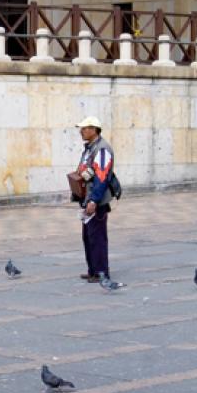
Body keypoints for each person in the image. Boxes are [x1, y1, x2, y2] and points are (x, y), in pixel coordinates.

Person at [75, 116, 114, 283]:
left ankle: (101, 272)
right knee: (88, 237)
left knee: (97, 237)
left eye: (84, 128)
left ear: (94, 130)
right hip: (87, 198)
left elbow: (102, 176)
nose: (81, 131)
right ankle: (92, 270)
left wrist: (93, 200)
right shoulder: (90, 148)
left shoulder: (102, 149)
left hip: (96, 201)